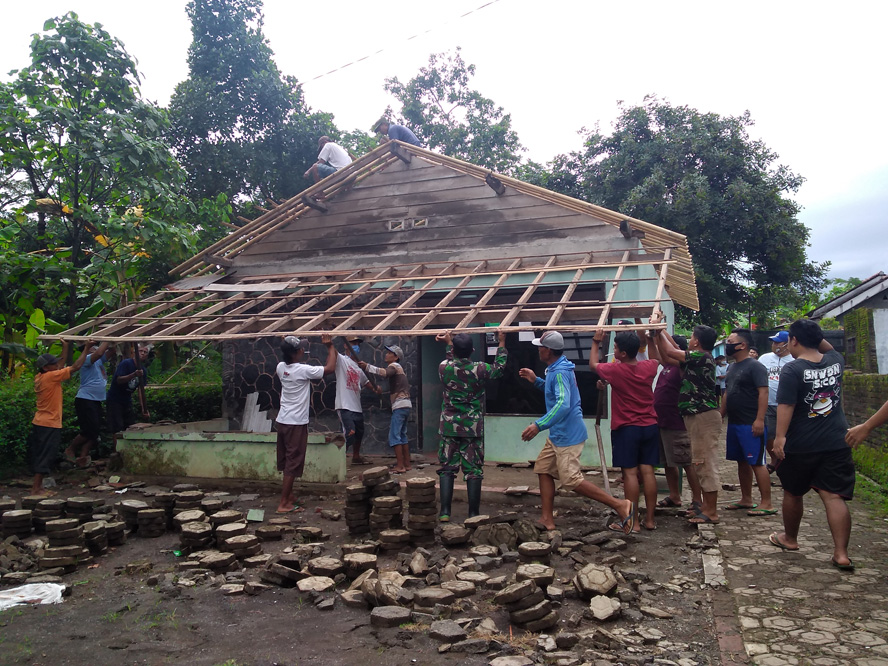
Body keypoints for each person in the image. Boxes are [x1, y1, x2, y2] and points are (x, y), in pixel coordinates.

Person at [518, 330, 634, 533]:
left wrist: (538, 425)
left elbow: (563, 404)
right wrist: (536, 380)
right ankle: (547, 518)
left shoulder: (560, 371)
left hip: (568, 435)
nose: (538, 350)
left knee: (571, 480)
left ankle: (619, 505)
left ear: (549, 351)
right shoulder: (556, 368)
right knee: (543, 469)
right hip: (558, 433)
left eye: (541, 347)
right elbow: (556, 393)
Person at [769, 319, 856, 571]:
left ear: (793, 341)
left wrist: (780, 438)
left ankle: (790, 539)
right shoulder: (836, 361)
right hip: (836, 441)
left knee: (793, 492)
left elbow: (786, 405)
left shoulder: (793, 369)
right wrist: (813, 334)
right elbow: (825, 347)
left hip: (800, 444)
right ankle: (841, 554)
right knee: (833, 496)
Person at [652, 313, 722, 524]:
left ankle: (711, 512)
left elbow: (670, 350)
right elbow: (669, 355)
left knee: (704, 463)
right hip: (695, 416)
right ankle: (706, 508)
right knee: (699, 461)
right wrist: (661, 329)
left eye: (692, 336)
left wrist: (658, 330)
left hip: (703, 416)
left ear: (697, 341)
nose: (689, 339)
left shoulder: (702, 357)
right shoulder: (696, 359)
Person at [591, 329, 660, 531]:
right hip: (649, 426)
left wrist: (596, 341)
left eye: (615, 348)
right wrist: (651, 338)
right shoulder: (648, 367)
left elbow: (593, 364)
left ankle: (633, 522)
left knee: (630, 473)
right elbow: (655, 357)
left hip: (627, 428)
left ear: (621, 354)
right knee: (647, 472)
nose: (613, 350)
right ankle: (650, 520)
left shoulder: (615, 370)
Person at [435, 330, 507, 521]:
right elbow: (499, 369)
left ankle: (444, 512)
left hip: (449, 426)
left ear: (455, 351)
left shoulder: (444, 367)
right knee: (473, 469)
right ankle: (473, 513)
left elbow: (452, 359)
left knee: (447, 467)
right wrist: (501, 344)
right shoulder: (480, 369)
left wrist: (449, 343)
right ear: (473, 350)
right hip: (472, 426)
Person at [274, 334, 336, 513]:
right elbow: (330, 368)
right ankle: (284, 503)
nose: (303, 349)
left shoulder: (280, 367)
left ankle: (290, 495)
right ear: (297, 352)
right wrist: (330, 346)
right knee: (293, 462)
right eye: (300, 348)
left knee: (287, 460)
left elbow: (287, 357)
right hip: (296, 423)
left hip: (283, 421)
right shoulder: (303, 370)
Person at [720, 328, 774, 515]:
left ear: (742, 345)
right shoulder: (732, 367)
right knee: (741, 462)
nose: (727, 344)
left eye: (730, 341)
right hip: (734, 422)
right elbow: (727, 392)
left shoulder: (755, 367)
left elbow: (763, 392)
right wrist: (721, 414)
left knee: (757, 462)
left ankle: (766, 502)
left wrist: (759, 419)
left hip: (750, 422)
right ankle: (746, 498)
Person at [28, 341, 88, 495]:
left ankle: (39, 487)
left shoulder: (41, 377)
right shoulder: (51, 377)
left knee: (42, 453)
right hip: (49, 423)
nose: (57, 365)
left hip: (41, 422)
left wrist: (66, 346)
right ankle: (36, 488)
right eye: (53, 364)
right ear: (46, 367)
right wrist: (86, 348)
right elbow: (75, 367)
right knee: (46, 455)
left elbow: (60, 365)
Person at [652, 335, 702, 512]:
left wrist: (660, 330)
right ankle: (675, 496)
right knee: (668, 462)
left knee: (686, 462)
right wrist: (653, 334)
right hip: (663, 420)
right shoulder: (667, 366)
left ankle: (697, 499)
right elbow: (654, 353)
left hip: (676, 422)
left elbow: (670, 348)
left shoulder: (683, 366)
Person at [360, 344, 413, 473]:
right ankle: (407, 464)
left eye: (389, 353)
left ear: (395, 357)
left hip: (400, 405)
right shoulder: (399, 369)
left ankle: (400, 466)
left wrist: (367, 367)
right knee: (402, 435)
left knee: (394, 436)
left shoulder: (394, 366)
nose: (386, 354)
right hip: (405, 405)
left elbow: (385, 373)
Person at [335, 335, 382, 465]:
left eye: (357, 343)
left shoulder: (358, 366)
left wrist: (376, 388)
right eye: (353, 343)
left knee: (359, 434)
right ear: (346, 345)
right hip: (344, 405)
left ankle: (356, 457)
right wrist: (328, 341)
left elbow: (366, 382)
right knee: (349, 433)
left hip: (356, 406)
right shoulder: (341, 360)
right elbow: (332, 350)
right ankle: (337, 459)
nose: (356, 346)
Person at [64, 341, 111, 468]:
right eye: (94, 349)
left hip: (96, 400)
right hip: (85, 399)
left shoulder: (99, 362)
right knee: (89, 430)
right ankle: (71, 448)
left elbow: (109, 353)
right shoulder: (86, 360)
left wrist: (117, 343)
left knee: (95, 432)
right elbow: (100, 352)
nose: (96, 350)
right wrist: (108, 338)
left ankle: (82, 458)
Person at [758, 331, 793, 471]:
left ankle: (788, 460)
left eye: (778, 342)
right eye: (773, 342)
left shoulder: (794, 360)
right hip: (769, 404)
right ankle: (775, 459)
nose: (774, 345)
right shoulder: (764, 359)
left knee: (788, 434)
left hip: (787, 405)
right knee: (768, 435)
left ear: (787, 344)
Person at [106, 343, 151, 443]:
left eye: (145, 352)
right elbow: (119, 380)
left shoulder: (143, 370)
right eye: (141, 351)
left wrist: (144, 409)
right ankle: (116, 451)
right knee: (117, 427)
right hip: (115, 399)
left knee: (129, 425)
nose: (142, 354)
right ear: (134, 352)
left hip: (127, 400)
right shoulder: (126, 363)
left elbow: (140, 390)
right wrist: (134, 374)